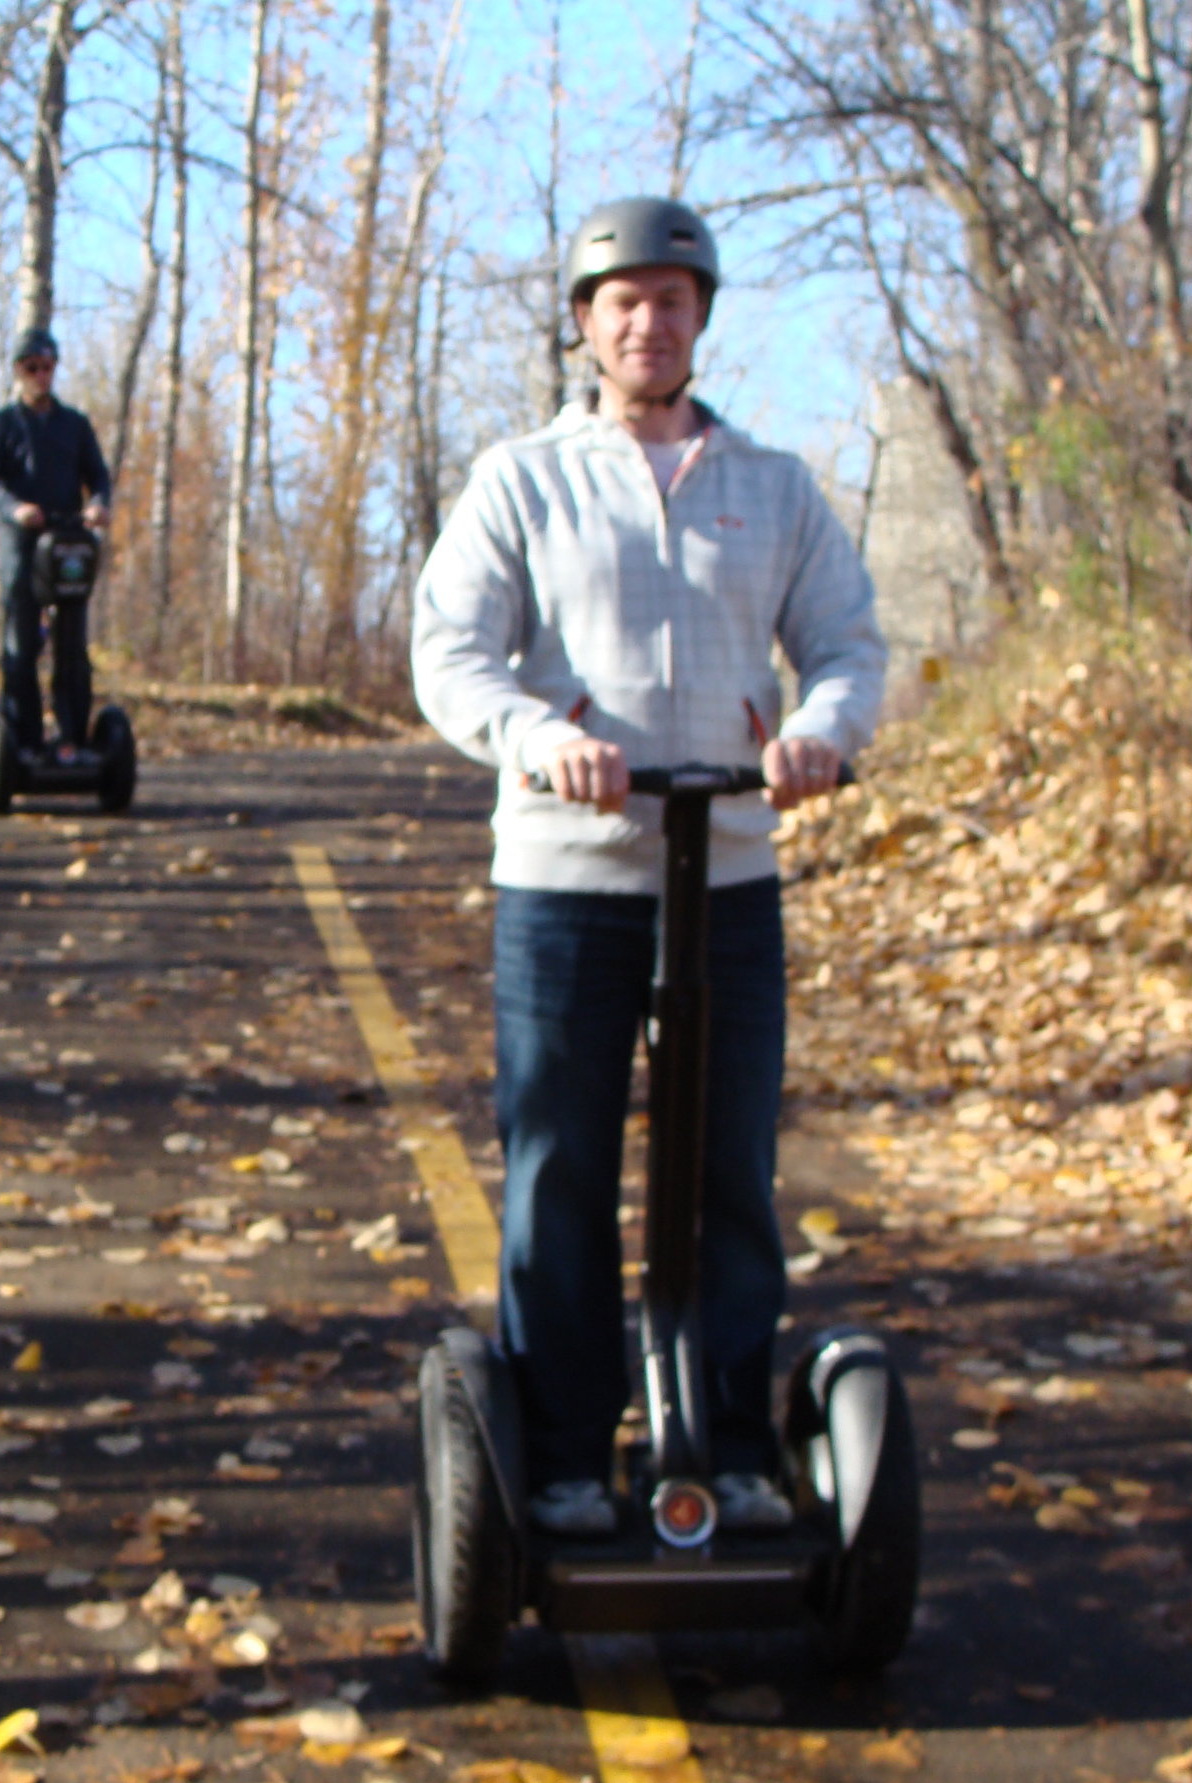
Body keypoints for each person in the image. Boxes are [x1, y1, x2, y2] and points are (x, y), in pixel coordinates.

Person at [410, 197, 888, 1538]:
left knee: (726, 1160)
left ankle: (730, 1437)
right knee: (558, 1161)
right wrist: (536, 734)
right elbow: (451, 651)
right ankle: (563, 1447)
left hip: (728, 873)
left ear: (700, 319)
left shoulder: (772, 486)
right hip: (567, 882)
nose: (648, 320)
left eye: (673, 298)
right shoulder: (523, 479)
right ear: (585, 323)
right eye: (623, 299)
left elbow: (848, 644)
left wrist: (818, 733)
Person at [0, 327, 113, 758]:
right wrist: (14, 509)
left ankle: (72, 738)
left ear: (55, 369)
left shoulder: (74, 424)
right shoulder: (3, 424)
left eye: (47, 367)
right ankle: (26, 738)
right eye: (31, 368)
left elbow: (100, 476)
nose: (40, 375)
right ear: (18, 371)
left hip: (68, 540)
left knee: (72, 644)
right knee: (21, 643)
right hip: (22, 544)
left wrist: (99, 505)